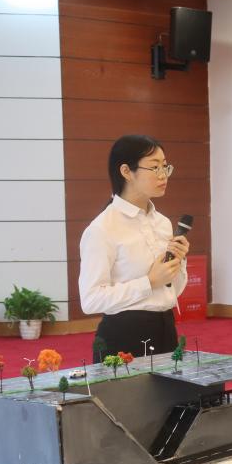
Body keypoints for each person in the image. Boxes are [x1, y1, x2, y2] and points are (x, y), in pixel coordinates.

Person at [79, 134, 189, 359]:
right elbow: (90, 300)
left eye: (165, 167)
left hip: (166, 328)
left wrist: (179, 263)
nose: (163, 175)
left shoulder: (163, 223)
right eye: (154, 167)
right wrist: (149, 282)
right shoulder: (103, 228)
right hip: (123, 336)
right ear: (126, 171)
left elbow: (172, 291)